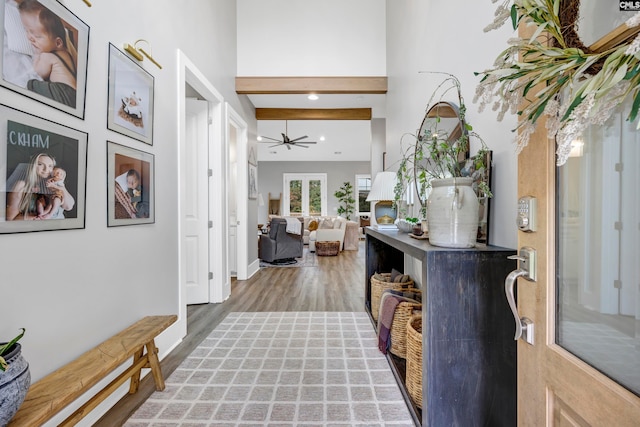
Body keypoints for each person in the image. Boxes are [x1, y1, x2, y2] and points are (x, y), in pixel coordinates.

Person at [18, 0, 77, 108]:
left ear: (58, 42)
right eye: (27, 31)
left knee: (32, 83)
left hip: (62, 93)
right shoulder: (67, 54)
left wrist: (37, 55)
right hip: (73, 95)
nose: (30, 38)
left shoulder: (47, 56)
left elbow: (37, 72)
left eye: (37, 36)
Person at [6, 153, 74, 220]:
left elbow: (68, 207)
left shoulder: (54, 184)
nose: (46, 169)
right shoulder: (21, 185)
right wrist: (38, 218)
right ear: (32, 166)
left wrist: (62, 187)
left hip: (60, 228)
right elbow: (10, 218)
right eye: (40, 164)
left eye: (50, 166)